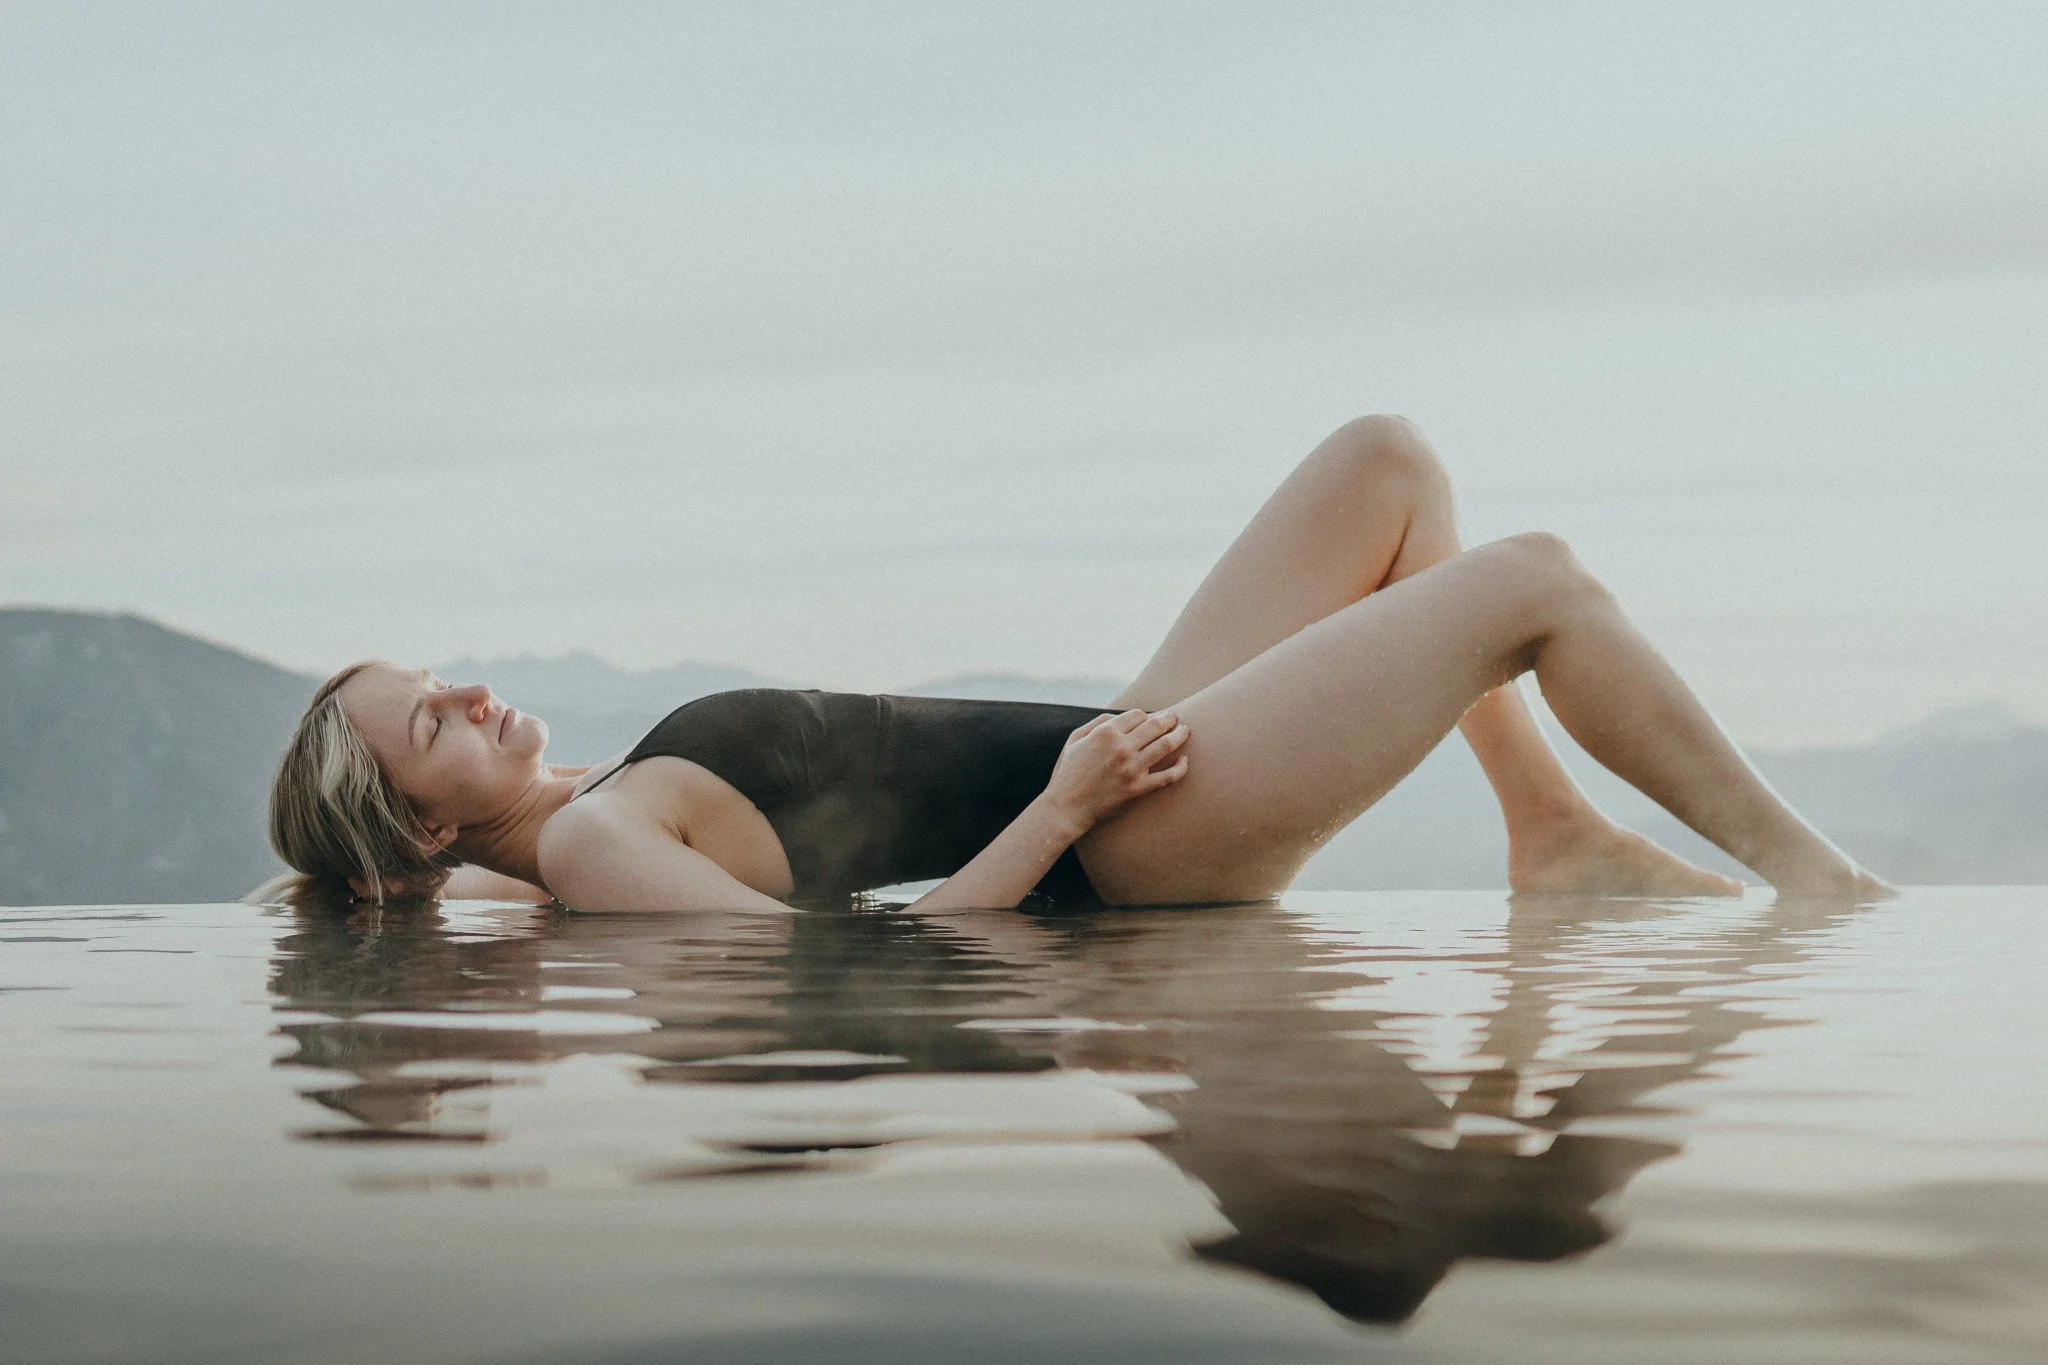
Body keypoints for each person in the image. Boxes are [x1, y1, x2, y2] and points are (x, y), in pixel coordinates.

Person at [265, 415, 1891, 912]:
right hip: (1122, 828)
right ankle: (1817, 881)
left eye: (442, 679)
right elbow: (864, 966)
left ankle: (1551, 834)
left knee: (1386, 467)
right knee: (1531, 580)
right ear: (419, 820)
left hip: (1126, 746)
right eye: (434, 723)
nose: (471, 690)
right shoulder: (600, 846)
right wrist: (1064, 813)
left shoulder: (571, 815)